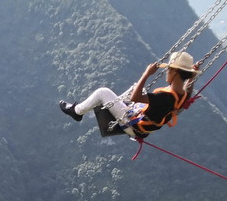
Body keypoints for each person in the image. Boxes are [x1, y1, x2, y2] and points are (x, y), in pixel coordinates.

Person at [59, 51, 199, 138]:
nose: (167, 73)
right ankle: (113, 106)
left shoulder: (164, 96)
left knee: (103, 92)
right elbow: (188, 91)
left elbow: (135, 98)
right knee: (135, 88)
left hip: (133, 126)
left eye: (168, 70)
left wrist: (146, 74)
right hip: (144, 126)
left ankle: (76, 111)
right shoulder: (182, 95)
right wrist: (191, 78)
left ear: (174, 72)